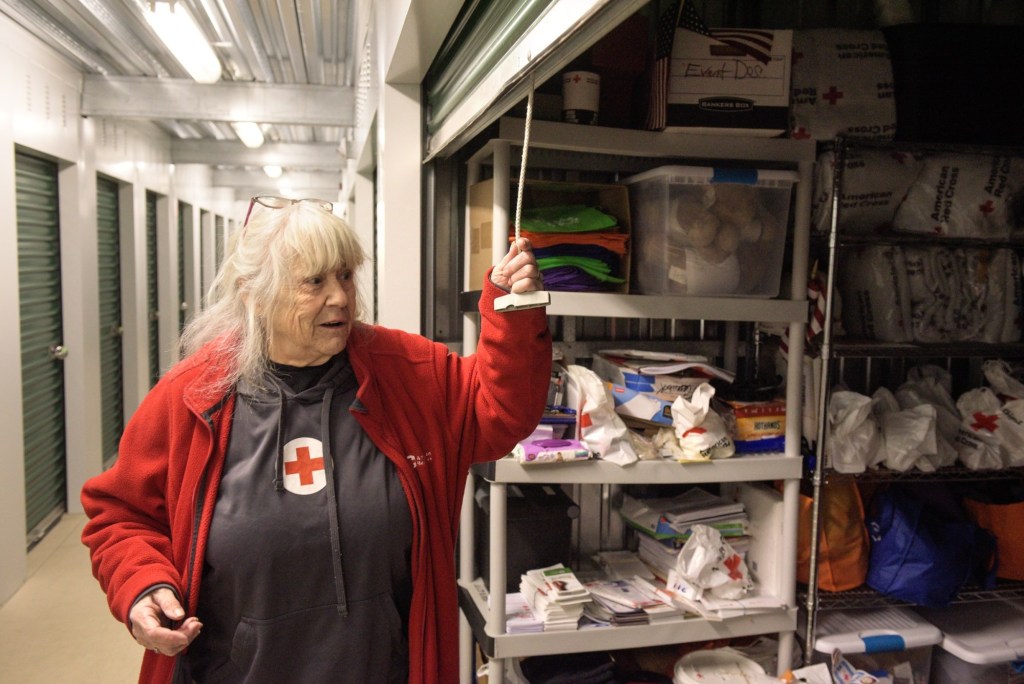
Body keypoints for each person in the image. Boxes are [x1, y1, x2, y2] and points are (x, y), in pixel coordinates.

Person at [81, 195, 552, 684]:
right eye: (315, 282)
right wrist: (140, 584)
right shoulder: (193, 396)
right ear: (253, 293)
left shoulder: (407, 373)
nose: (341, 298)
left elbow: (498, 414)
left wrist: (513, 317)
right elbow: (120, 515)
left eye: (346, 275)